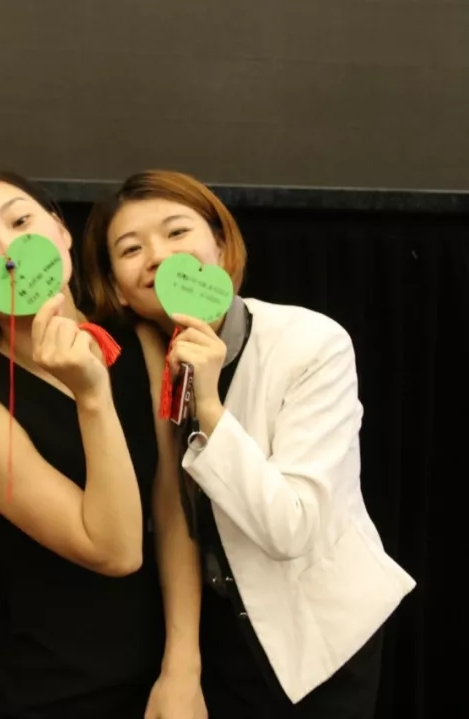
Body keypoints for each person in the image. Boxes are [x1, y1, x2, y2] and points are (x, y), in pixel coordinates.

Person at [80, 169, 417, 718]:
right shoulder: (127, 365)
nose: (159, 256)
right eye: (131, 249)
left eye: (177, 232)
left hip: (319, 638)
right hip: (213, 639)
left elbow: (290, 528)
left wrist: (210, 407)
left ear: (219, 244)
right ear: (117, 286)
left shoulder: (311, 343)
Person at [0, 171, 203, 718]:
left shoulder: (144, 343)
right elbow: (116, 550)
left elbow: (173, 507)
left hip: (167, 679)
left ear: (61, 232)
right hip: (55, 689)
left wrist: (183, 666)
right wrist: (92, 395)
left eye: (21, 222)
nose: (12, 254)